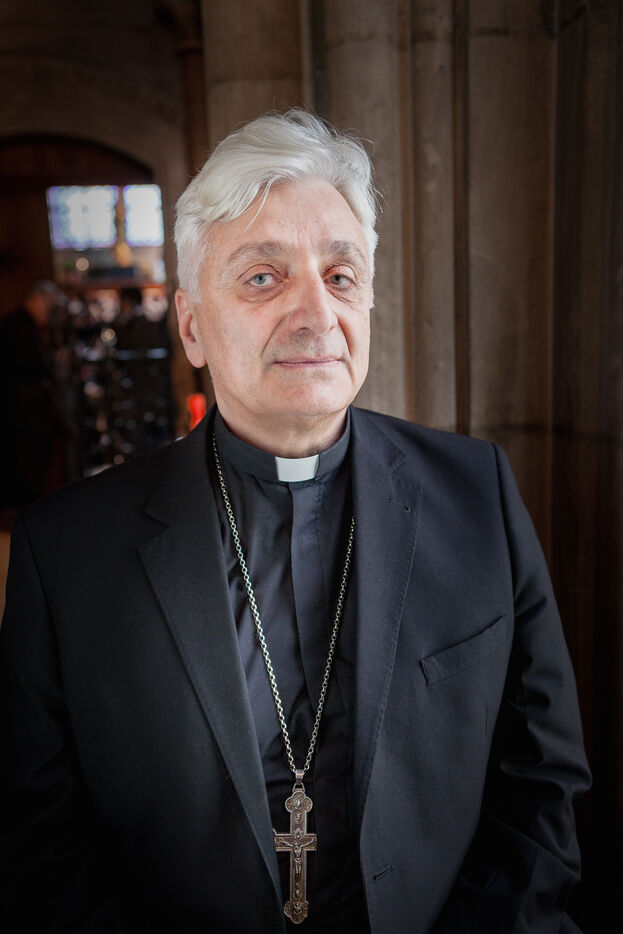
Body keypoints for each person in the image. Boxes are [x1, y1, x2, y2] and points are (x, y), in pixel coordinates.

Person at [0, 111, 591, 933]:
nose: (315, 313)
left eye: (340, 276)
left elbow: (543, 780)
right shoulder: (66, 551)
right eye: (262, 278)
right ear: (192, 326)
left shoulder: (476, 494)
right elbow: (38, 840)